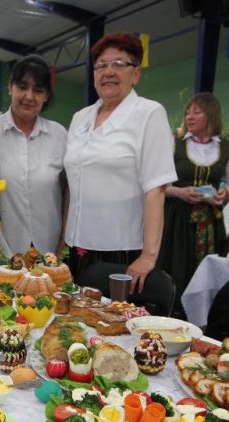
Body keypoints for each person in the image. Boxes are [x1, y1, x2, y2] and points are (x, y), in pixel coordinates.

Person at [63, 32, 176, 295]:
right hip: (77, 247)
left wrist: (148, 256)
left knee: (111, 330)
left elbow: (156, 189)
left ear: (135, 73)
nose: (108, 72)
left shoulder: (149, 114)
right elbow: (72, 183)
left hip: (122, 251)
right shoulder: (80, 118)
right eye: (101, 65)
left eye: (118, 64)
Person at [158, 92, 229, 305]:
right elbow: (157, 184)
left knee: (205, 267)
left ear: (211, 115)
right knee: (175, 265)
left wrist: (225, 193)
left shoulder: (226, 146)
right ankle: (171, 311)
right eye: (187, 112)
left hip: (210, 220)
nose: (189, 117)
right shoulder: (174, 143)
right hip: (176, 217)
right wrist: (179, 192)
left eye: (197, 111)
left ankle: (201, 316)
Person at [0, 55, 67, 255]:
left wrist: (64, 242)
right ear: (10, 87)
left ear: (46, 95)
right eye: (22, 87)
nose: (29, 96)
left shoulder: (59, 135)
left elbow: (70, 192)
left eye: (38, 90)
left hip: (48, 248)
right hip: (0, 249)